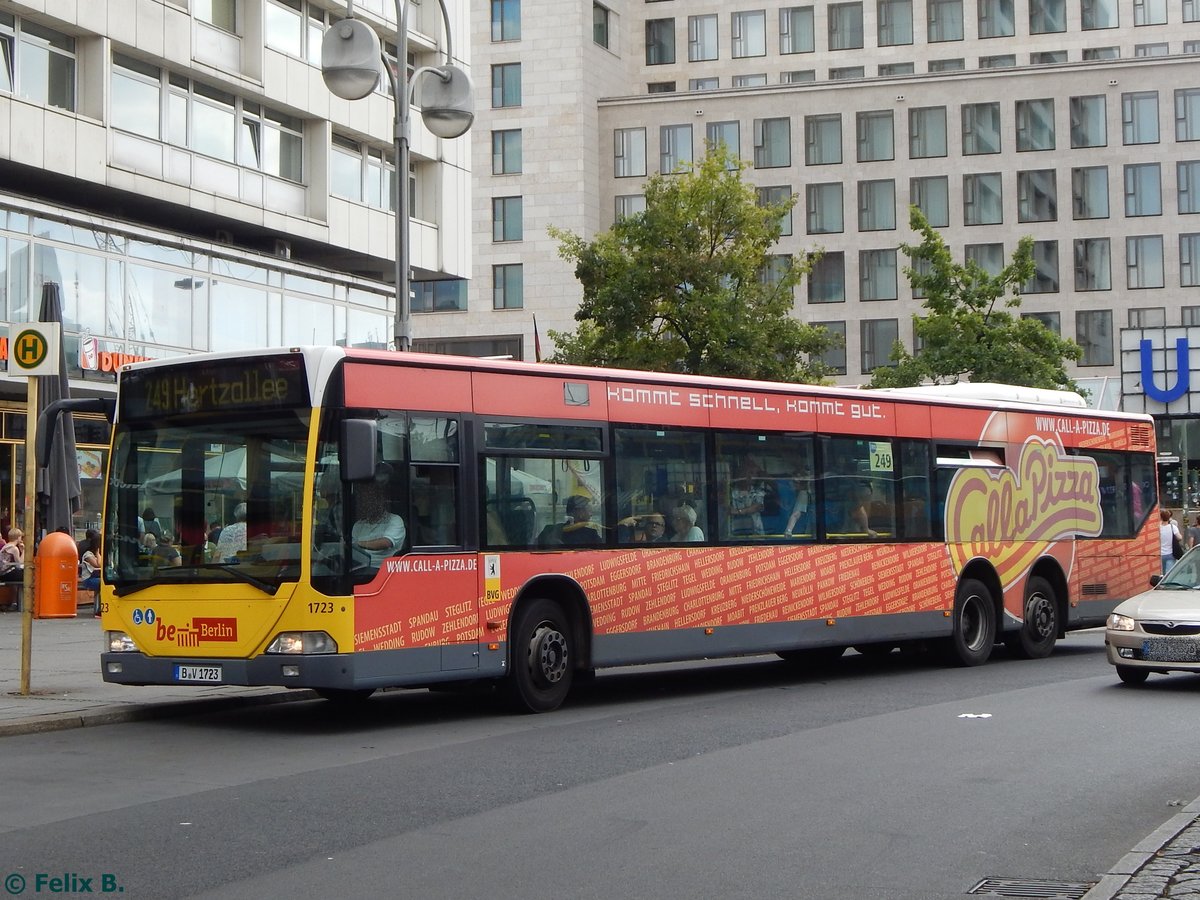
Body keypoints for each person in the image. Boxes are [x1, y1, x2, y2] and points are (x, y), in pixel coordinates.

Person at [351, 464, 406, 566]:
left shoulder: (395, 520)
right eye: (364, 500)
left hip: (382, 569)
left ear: (381, 501)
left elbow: (386, 543)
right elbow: (352, 550)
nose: (368, 503)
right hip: (359, 568)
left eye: (372, 499)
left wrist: (358, 543)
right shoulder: (358, 525)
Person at [729, 459, 766, 536]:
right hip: (735, 533)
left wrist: (737, 512)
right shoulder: (730, 491)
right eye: (750, 472)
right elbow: (726, 508)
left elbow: (756, 507)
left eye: (756, 474)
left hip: (756, 533)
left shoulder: (758, 491)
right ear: (741, 473)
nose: (753, 476)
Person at [783, 470, 813, 537]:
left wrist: (788, 530)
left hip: (808, 529)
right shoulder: (796, 493)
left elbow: (796, 514)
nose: (791, 483)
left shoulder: (803, 494)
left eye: (794, 482)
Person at [1161, 508, 1185, 574]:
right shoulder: (1173, 527)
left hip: (1160, 554)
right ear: (1169, 517)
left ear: (1160, 518)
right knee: (1169, 574)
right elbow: (1180, 538)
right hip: (1170, 553)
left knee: (1161, 573)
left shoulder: (1158, 528)